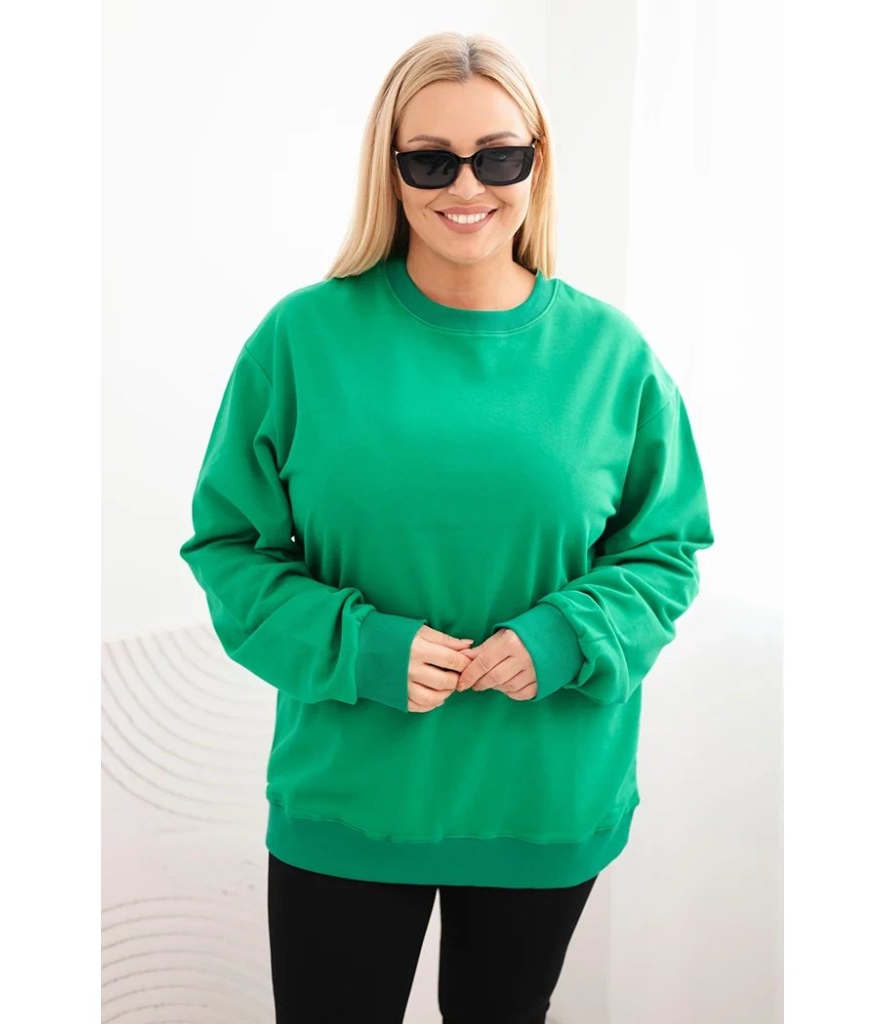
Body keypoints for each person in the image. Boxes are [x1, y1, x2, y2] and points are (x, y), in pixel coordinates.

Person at [179, 30, 715, 1024]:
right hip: (351, 797)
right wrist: (361, 648)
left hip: (542, 797)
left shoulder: (612, 354)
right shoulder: (301, 340)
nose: (466, 186)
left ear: (536, 163)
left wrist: (567, 635)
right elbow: (230, 548)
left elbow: (666, 546)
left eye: (498, 156)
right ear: (389, 170)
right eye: (430, 160)